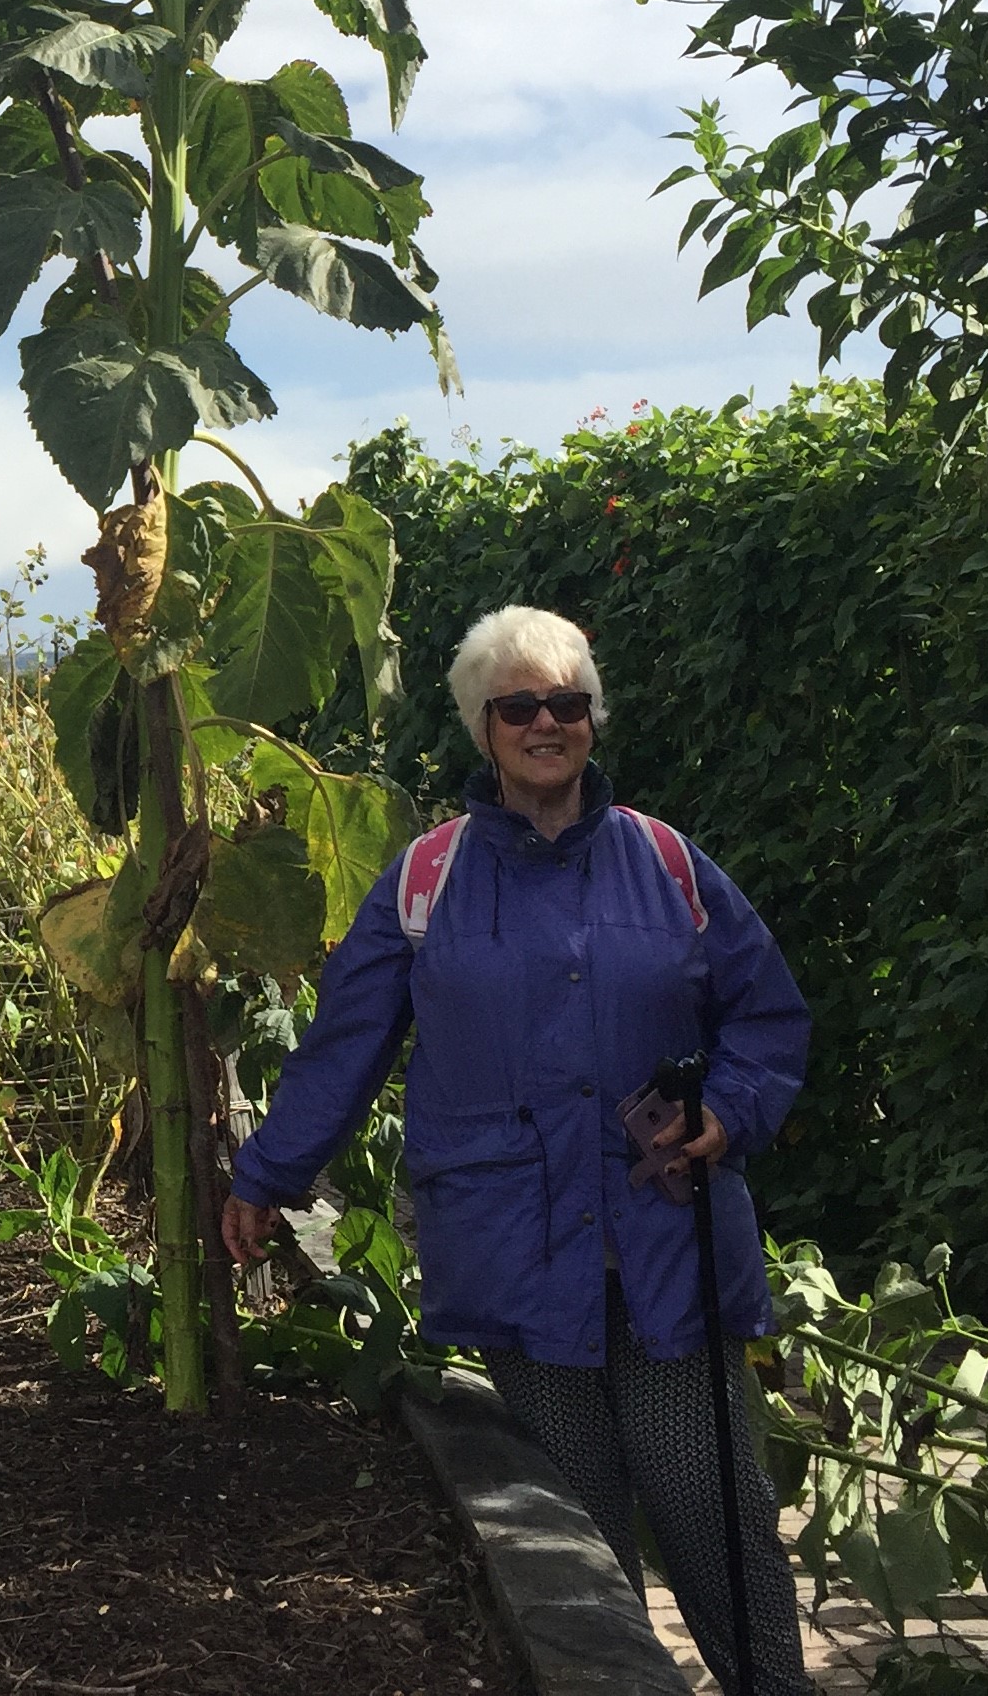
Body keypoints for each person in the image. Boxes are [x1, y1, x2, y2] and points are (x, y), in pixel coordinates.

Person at [220, 603, 815, 1696]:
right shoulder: (426, 883)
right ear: (483, 727)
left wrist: (726, 1111)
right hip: (517, 1257)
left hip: (667, 1246)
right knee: (574, 1549)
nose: (548, 723)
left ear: (592, 717)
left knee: (715, 1520)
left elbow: (769, 1019)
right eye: (521, 706)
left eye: (568, 704)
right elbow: (349, 1043)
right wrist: (267, 1177)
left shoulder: (671, 865)